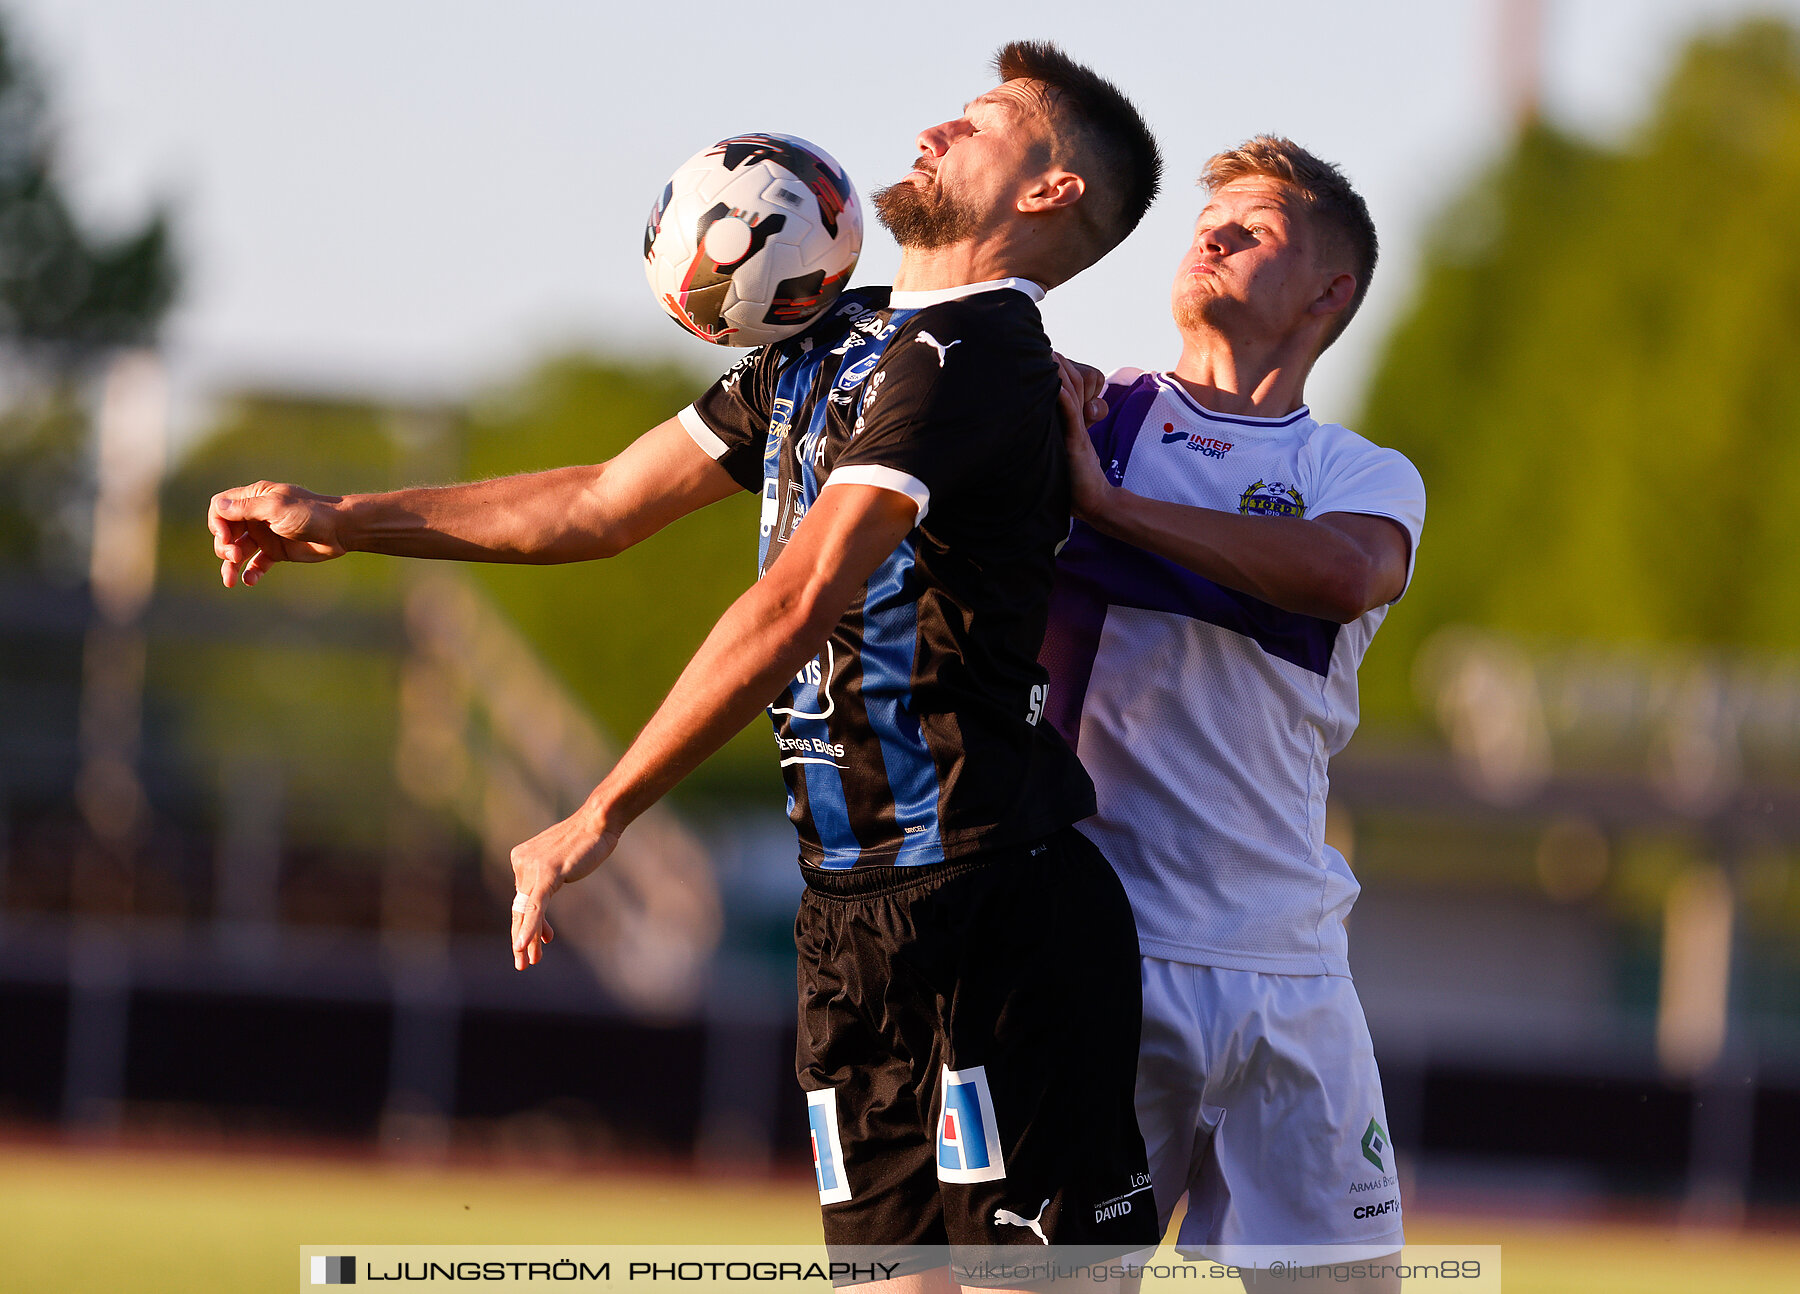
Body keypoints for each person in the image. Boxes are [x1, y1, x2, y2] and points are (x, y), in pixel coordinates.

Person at [208, 41, 1164, 1285]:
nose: (938, 129)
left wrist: (598, 814)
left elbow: (797, 599)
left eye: (980, 124)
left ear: (1051, 192)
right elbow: (601, 501)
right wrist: (345, 515)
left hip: (989, 905)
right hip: (854, 913)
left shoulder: (979, 358)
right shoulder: (843, 338)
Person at [1042, 137, 1424, 1294]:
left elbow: (1342, 576)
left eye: (1250, 228)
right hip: (1109, 957)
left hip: (1291, 970)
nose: (1208, 235)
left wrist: (1108, 513)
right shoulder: (1087, 413)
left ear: (1329, 293)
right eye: (1207, 223)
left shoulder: (1360, 473)